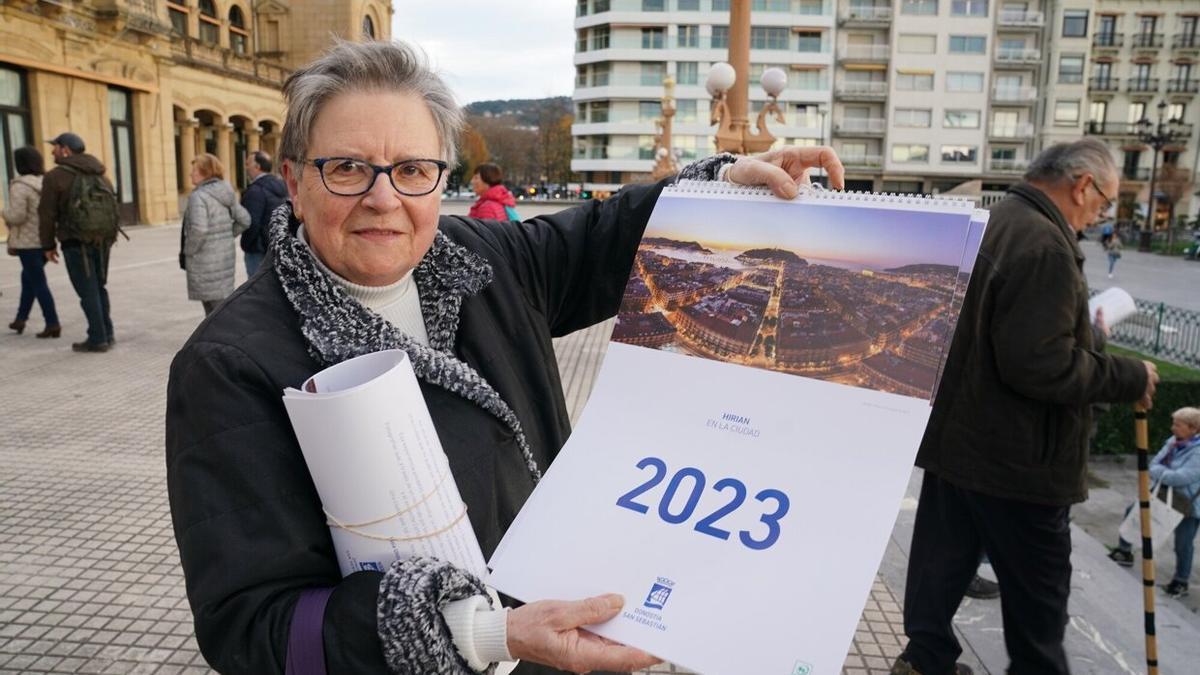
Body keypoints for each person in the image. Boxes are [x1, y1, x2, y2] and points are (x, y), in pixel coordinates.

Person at [164, 40, 844, 675]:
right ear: (293, 178)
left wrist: (723, 186)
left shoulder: (482, 259)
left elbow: (605, 237)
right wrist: (486, 632)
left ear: (439, 178)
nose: (384, 198)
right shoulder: (228, 364)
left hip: (566, 640)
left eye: (411, 169)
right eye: (347, 168)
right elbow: (252, 627)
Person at [891, 138, 1159, 675]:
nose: (1099, 216)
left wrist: (1083, 332)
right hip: (1018, 458)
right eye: (1104, 203)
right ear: (1082, 185)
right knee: (1038, 605)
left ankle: (925, 661)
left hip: (958, 441)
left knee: (941, 565)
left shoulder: (995, 221)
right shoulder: (1045, 247)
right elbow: (1040, 365)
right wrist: (1130, 375)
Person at [38, 132, 118, 353]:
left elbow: (46, 214)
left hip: (75, 240)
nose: (52, 151)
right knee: (99, 286)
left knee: (87, 289)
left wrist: (47, 245)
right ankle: (107, 333)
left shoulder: (55, 176)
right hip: (102, 240)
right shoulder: (101, 174)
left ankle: (97, 337)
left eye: (55, 147)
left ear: (66, 150)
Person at [1108, 407, 1200, 597]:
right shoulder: (1173, 442)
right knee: (1133, 511)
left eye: (1178, 425)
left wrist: (1161, 473)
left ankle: (1181, 581)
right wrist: (1164, 473)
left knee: (1183, 543)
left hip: (1187, 503)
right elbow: (1153, 464)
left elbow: (1182, 477)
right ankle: (1124, 552)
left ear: (1193, 428)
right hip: (1163, 492)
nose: (1173, 428)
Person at [180, 153, 251, 316]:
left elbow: (199, 230)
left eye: (194, 170)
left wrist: (188, 251)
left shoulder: (199, 196)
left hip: (205, 263)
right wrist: (224, 237)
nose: (190, 174)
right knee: (222, 311)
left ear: (205, 172)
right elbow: (245, 220)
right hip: (224, 261)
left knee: (212, 315)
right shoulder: (225, 191)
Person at [4, 146, 60, 338]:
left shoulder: (19, 186)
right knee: (28, 278)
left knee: (37, 282)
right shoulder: (45, 182)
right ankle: (20, 319)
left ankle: (52, 323)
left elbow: (17, 216)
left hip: (28, 244)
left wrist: (4, 213)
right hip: (45, 240)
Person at [240, 150, 288, 276]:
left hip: (258, 250)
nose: (246, 167)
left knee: (257, 290)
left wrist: (246, 245)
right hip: (276, 247)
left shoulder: (255, 190)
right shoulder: (282, 186)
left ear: (257, 167)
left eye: (248, 163)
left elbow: (251, 222)